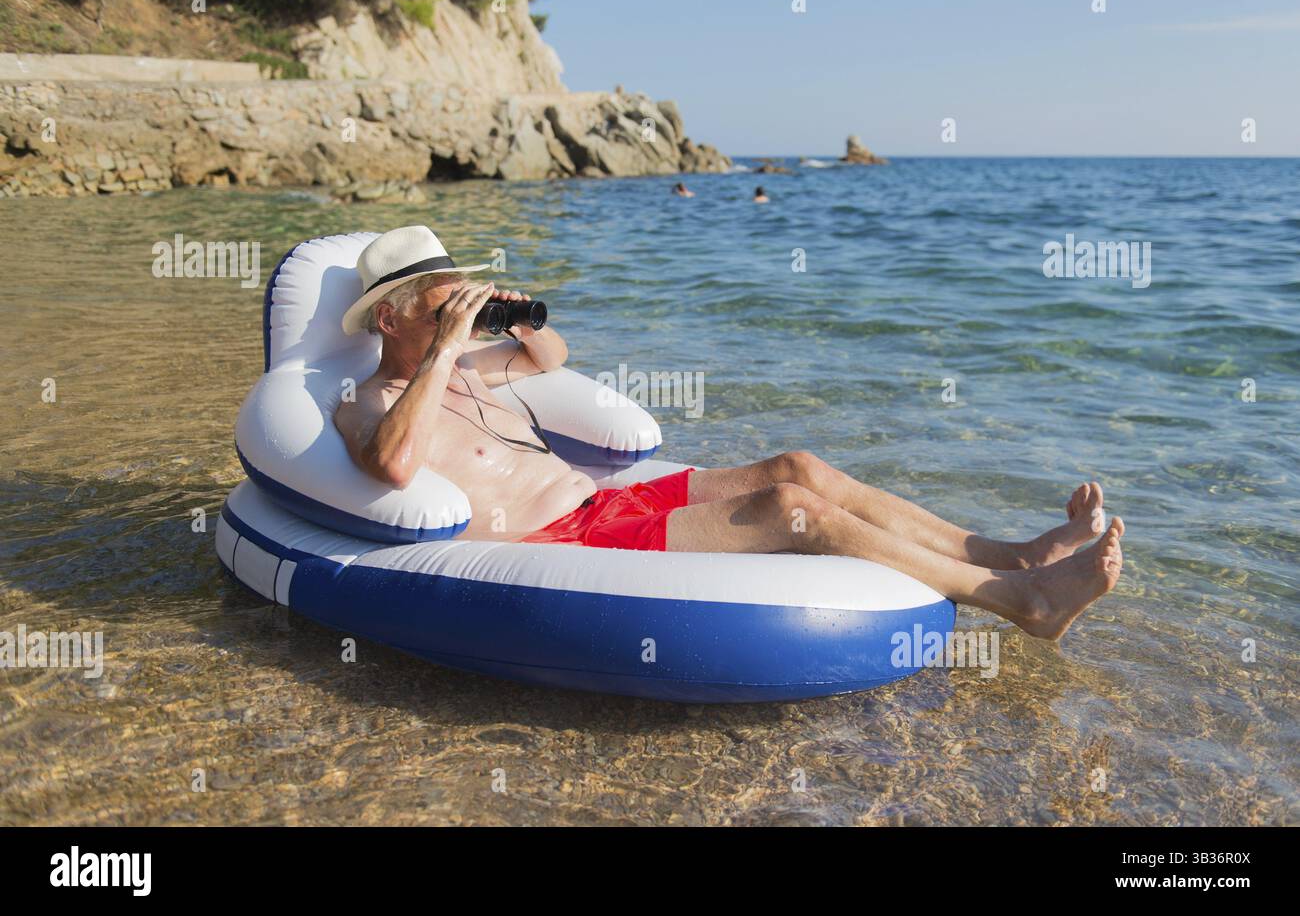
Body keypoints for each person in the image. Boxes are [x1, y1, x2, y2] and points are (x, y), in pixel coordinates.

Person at [335, 226, 1124, 640]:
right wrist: (445, 349)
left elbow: (550, 353)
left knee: (799, 466)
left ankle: (1008, 554)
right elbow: (394, 467)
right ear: (389, 315)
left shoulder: (471, 367)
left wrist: (499, 314)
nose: (455, 311)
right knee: (787, 509)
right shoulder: (365, 402)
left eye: (454, 295)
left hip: (607, 502)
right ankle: (1022, 600)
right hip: (560, 541)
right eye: (438, 299)